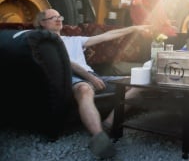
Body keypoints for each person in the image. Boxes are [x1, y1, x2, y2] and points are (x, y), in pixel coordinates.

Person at [34, 9, 151, 158]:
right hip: (73, 78)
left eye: (60, 16)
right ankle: (99, 137)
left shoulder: (73, 40)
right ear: (42, 23)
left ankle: (108, 124)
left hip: (93, 76)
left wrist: (134, 28)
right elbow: (65, 61)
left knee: (139, 83)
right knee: (84, 90)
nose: (58, 19)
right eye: (53, 17)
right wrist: (89, 77)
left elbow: (107, 36)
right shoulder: (46, 44)